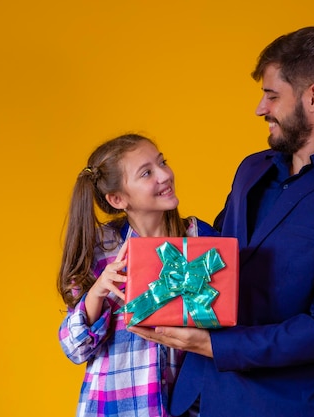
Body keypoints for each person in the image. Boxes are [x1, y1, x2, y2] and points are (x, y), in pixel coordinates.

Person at [129, 26, 314, 416]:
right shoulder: (251, 168)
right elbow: (212, 257)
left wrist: (211, 345)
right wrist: (129, 236)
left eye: (272, 95)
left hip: (283, 406)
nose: (261, 108)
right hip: (194, 397)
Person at [57, 133, 218, 417]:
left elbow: (228, 325)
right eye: (147, 172)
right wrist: (96, 293)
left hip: (187, 405)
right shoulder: (100, 249)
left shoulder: (199, 239)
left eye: (162, 162)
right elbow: (75, 349)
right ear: (118, 198)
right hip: (113, 407)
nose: (165, 175)